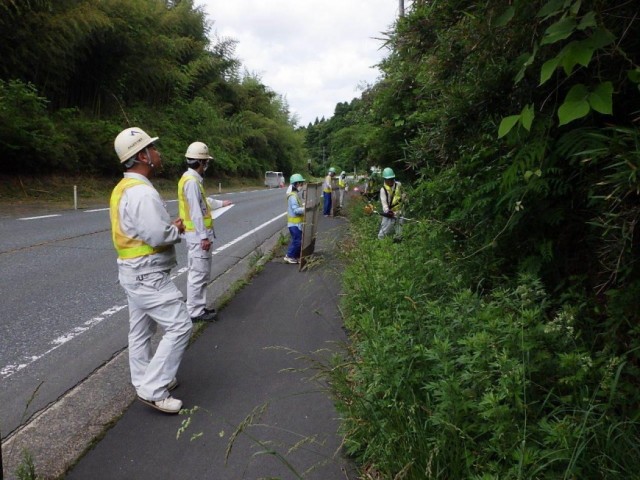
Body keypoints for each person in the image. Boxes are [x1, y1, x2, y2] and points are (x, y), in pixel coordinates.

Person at [110, 127, 192, 414]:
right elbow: (157, 236)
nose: (158, 153)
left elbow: (142, 230)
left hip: (133, 273)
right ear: (142, 155)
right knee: (180, 325)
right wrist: (175, 229)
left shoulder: (123, 188)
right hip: (148, 274)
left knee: (140, 330)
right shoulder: (142, 192)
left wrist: (165, 228)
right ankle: (153, 388)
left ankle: (144, 379)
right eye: (153, 149)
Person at [178, 141, 232, 323]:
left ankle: (198, 307)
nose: (206, 166)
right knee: (198, 274)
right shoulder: (191, 182)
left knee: (201, 273)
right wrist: (203, 237)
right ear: (200, 163)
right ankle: (194, 311)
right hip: (197, 237)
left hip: (197, 236)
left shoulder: (191, 180)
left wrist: (221, 203)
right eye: (205, 162)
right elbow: (195, 211)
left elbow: (204, 202)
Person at [378, 167, 404, 240]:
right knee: (382, 233)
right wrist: (388, 211)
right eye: (388, 179)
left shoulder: (398, 185)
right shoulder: (383, 190)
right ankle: (381, 246)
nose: (390, 181)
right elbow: (384, 203)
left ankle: (398, 243)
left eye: (392, 179)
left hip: (399, 211)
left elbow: (403, 194)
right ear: (385, 179)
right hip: (390, 213)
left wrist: (405, 197)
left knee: (399, 232)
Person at [284, 173, 305, 264]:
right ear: (296, 184)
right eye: (301, 184)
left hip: (297, 224)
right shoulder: (293, 196)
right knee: (297, 241)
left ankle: (294, 256)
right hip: (294, 224)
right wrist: (305, 209)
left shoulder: (295, 195)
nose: (302, 186)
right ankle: (289, 256)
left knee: (298, 240)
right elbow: (296, 210)